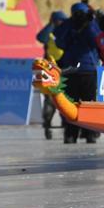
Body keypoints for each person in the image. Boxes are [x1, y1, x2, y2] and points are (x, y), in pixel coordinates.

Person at [53, 2, 101, 143]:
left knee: (71, 104)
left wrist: (73, 22)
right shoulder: (83, 25)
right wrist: (89, 20)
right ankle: (89, 133)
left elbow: (59, 41)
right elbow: (97, 41)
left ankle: (71, 134)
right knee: (88, 103)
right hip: (87, 71)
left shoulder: (70, 26)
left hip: (73, 70)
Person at [36, 10, 67, 139]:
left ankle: (67, 125)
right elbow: (40, 38)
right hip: (50, 69)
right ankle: (47, 124)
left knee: (65, 98)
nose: (62, 23)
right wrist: (50, 25)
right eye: (60, 21)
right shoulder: (49, 32)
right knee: (50, 100)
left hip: (64, 67)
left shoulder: (67, 31)